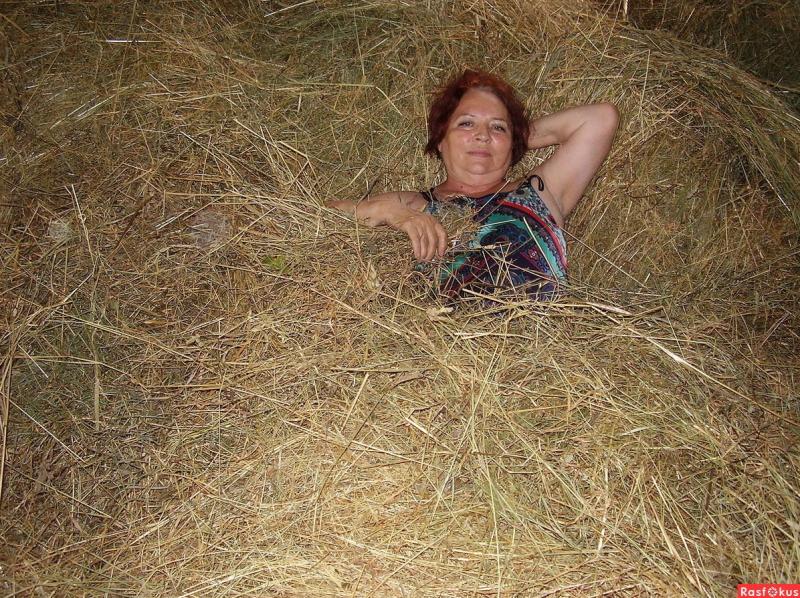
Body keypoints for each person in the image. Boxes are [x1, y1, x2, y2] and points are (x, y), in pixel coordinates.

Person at [329, 68, 619, 301]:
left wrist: (514, 139)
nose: (482, 135)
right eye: (467, 124)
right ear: (441, 139)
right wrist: (392, 213)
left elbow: (600, 119)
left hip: (533, 347)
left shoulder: (540, 193)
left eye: (497, 127)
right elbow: (319, 215)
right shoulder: (413, 204)